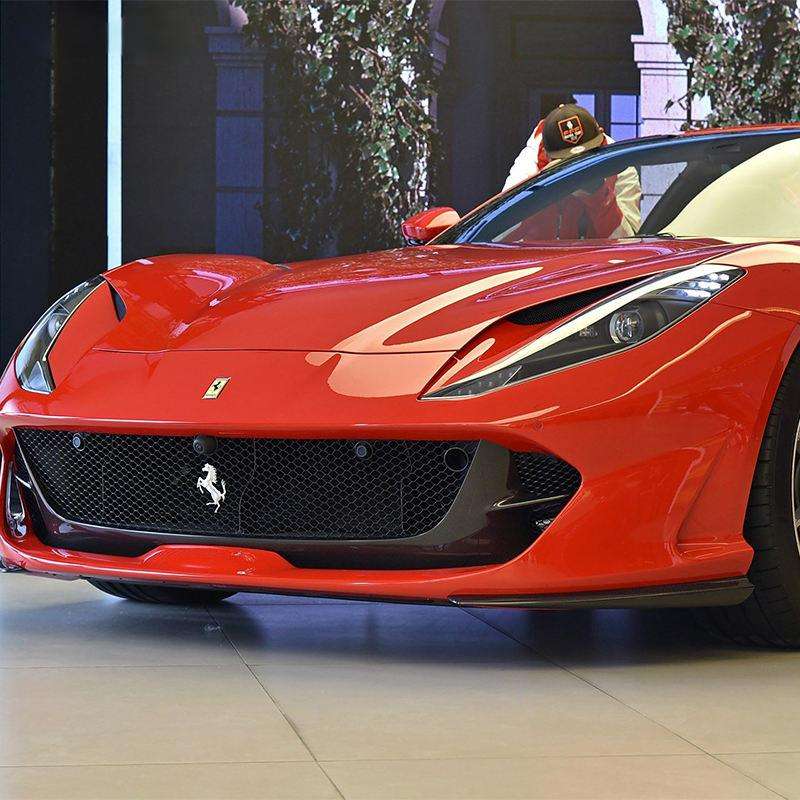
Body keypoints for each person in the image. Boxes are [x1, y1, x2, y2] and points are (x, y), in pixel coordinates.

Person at [503, 104, 641, 239]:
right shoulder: (529, 166)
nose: (578, 166)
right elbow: (499, 233)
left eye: (588, 155)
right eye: (567, 160)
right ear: (546, 155)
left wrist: (598, 196)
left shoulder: (619, 168)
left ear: (601, 138)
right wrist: (544, 188)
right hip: (542, 252)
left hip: (597, 253)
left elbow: (627, 242)